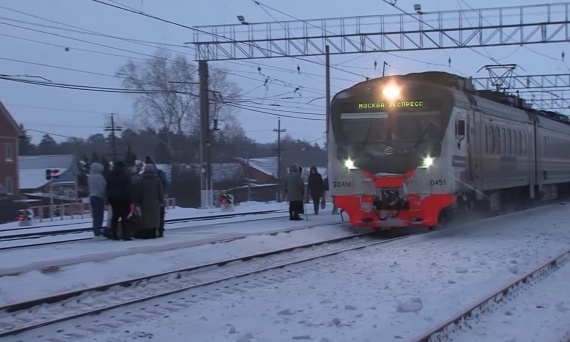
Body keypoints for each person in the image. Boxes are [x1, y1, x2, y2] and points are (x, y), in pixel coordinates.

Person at [133, 164, 164, 238]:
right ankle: (153, 233)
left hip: (144, 203)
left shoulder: (141, 180)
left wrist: (137, 201)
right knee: (154, 218)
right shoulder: (157, 180)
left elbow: (138, 192)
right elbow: (160, 192)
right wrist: (161, 201)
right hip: (155, 202)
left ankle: (147, 233)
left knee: (146, 219)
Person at [105, 161, 133, 241]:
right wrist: (131, 199)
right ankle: (125, 234)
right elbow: (129, 188)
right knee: (124, 217)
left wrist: (108, 199)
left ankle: (114, 234)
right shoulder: (126, 176)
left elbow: (107, 187)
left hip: (113, 199)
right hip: (124, 199)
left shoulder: (110, 176)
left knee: (115, 216)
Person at [145, 156, 169, 237]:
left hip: (146, 199)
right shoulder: (160, 173)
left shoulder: (143, 175)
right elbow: (166, 183)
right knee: (160, 215)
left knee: (149, 215)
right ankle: (160, 230)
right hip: (159, 198)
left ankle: (150, 231)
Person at [87, 162, 106, 238]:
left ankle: (95, 228)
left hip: (92, 196)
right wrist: (105, 196)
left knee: (95, 214)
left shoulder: (90, 177)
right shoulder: (100, 177)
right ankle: (98, 230)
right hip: (99, 197)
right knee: (100, 214)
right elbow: (102, 187)